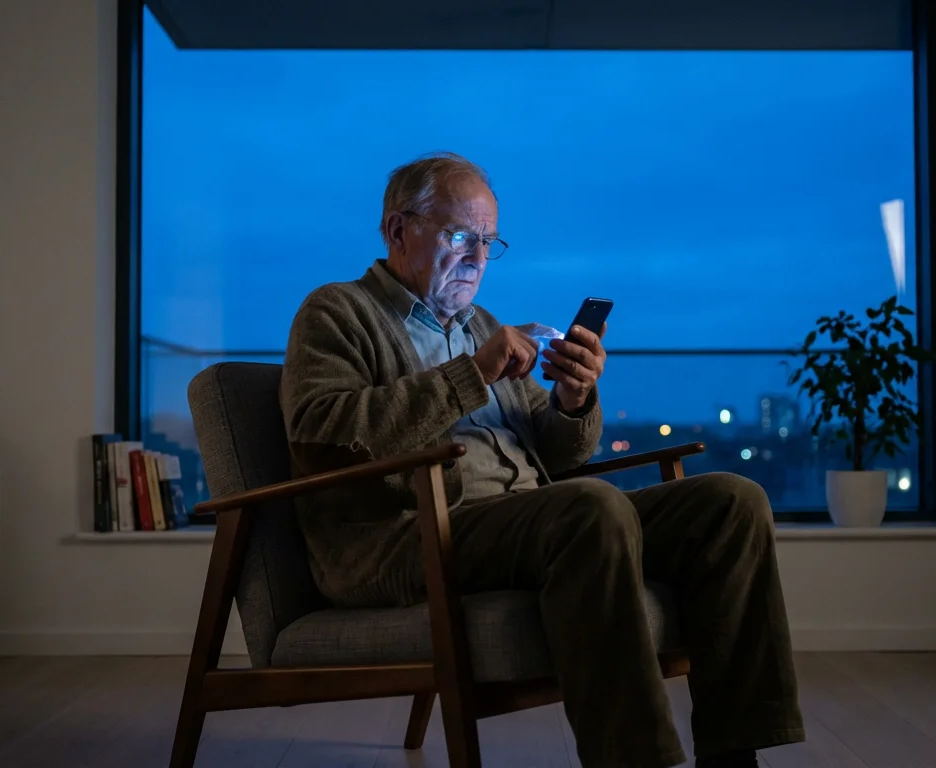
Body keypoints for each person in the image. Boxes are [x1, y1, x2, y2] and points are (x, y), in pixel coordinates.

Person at [279, 152, 805, 768]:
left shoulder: (483, 325)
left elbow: (562, 451)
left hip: (520, 522)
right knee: (587, 508)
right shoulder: (337, 313)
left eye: (488, 241)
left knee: (731, 503)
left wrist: (574, 397)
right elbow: (323, 435)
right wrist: (472, 374)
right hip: (406, 534)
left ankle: (734, 755)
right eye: (458, 236)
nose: (477, 257)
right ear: (398, 230)